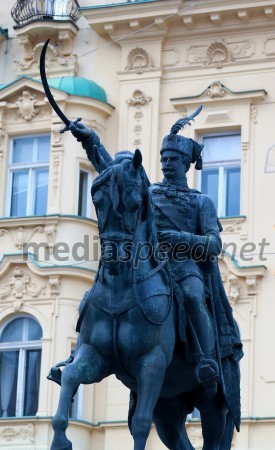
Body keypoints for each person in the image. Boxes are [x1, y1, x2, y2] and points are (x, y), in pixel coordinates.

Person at [69, 107, 242, 398]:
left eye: (172, 159)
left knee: (191, 296)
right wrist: (90, 141)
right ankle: (81, 354)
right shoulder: (151, 192)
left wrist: (180, 238)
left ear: (186, 163)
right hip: (148, 266)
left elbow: (214, 245)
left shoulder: (202, 203)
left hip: (185, 267)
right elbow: (114, 171)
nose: (166, 164)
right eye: (163, 159)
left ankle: (206, 360)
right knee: (96, 295)